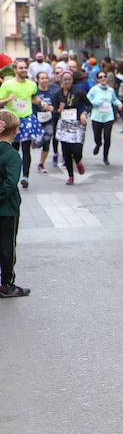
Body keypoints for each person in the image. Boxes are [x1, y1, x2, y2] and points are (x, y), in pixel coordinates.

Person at [0, 60, 49, 189]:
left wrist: (41, 102)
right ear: (15, 70)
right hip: (12, 121)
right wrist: (8, 99)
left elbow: (33, 97)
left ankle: (25, 177)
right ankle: (12, 176)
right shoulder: (7, 85)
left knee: (26, 149)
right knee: (13, 150)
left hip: (27, 119)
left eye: (25, 68)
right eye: (20, 68)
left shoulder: (32, 84)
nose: (23, 70)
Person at [0, 111, 27, 297]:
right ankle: (6, 284)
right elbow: (10, 183)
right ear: (15, 130)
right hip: (7, 209)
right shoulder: (11, 155)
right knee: (7, 246)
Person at [52, 71, 90, 185]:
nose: (67, 82)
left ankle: (78, 162)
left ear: (72, 80)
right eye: (65, 79)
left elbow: (89, 104)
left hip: (77, 124)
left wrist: (84, 113)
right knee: (66, 151)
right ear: (61, 81)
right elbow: (53, 111)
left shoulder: (78, 92)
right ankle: (70, 176)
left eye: (69, 79)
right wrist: (58, 110)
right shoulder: (57, 94)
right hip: (64, 125)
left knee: (77, 150)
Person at [87, 70, 122, 166]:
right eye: (100, 77)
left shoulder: (110, 90)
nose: (103, 78)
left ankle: (105, 157)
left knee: (107, 137)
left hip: (108, 116)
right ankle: (98, 144)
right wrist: (94, 102)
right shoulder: (94, 89)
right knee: (97, 136)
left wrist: (119, 104)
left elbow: (114, 99)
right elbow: (87, 99)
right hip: (97, 117)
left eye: (104, 76)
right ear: (97, 79)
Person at [34, 71, 58, 174]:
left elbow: (55, 106)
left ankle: (41, 164)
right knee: (38, 142)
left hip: (48, 120)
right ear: (38, 80)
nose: (44, 80)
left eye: (46, 78)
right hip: (36, 120)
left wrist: (53, 108)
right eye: (42, 78)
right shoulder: (35, 93)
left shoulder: (52, 92)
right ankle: (35, 143)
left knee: (46, 142)